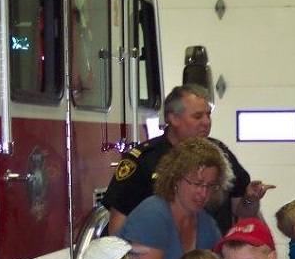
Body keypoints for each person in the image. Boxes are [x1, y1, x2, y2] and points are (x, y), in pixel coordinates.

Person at [101, 84, 274, 235]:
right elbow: (119, 224)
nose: (207, 122)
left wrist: (251, 199)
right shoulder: (143, 159)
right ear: (173, 118)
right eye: (198, 116)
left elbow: (242, 212)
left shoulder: (221, 155)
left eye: (208, 114)